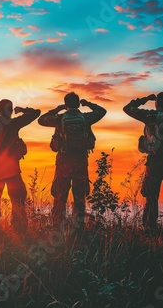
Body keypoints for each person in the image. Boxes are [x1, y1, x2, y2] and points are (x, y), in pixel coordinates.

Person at [123, 92, 163, 232]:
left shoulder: (151, 116)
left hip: (155, 163)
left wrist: (145, 99)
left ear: (157, 103)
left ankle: (149, 230)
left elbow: (127, 108)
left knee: (151, 197)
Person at [38, 92, 106, 227]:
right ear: (78, 102)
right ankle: (79, 228)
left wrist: (58, 109)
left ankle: (57, 226)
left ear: (66, 104)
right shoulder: (85, 118)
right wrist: (88, 104)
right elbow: (102, 111)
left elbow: (41, 120)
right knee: (79, 197)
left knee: (60, 196)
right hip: (80, 161)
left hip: (63, 161)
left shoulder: (60, 118)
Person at [0, 100, 40, 234]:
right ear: (10, 110)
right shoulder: (13, 124)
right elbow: (36, 113)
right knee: (18, 201)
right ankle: (19, 231)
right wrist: (22, 110)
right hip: (11, 170)